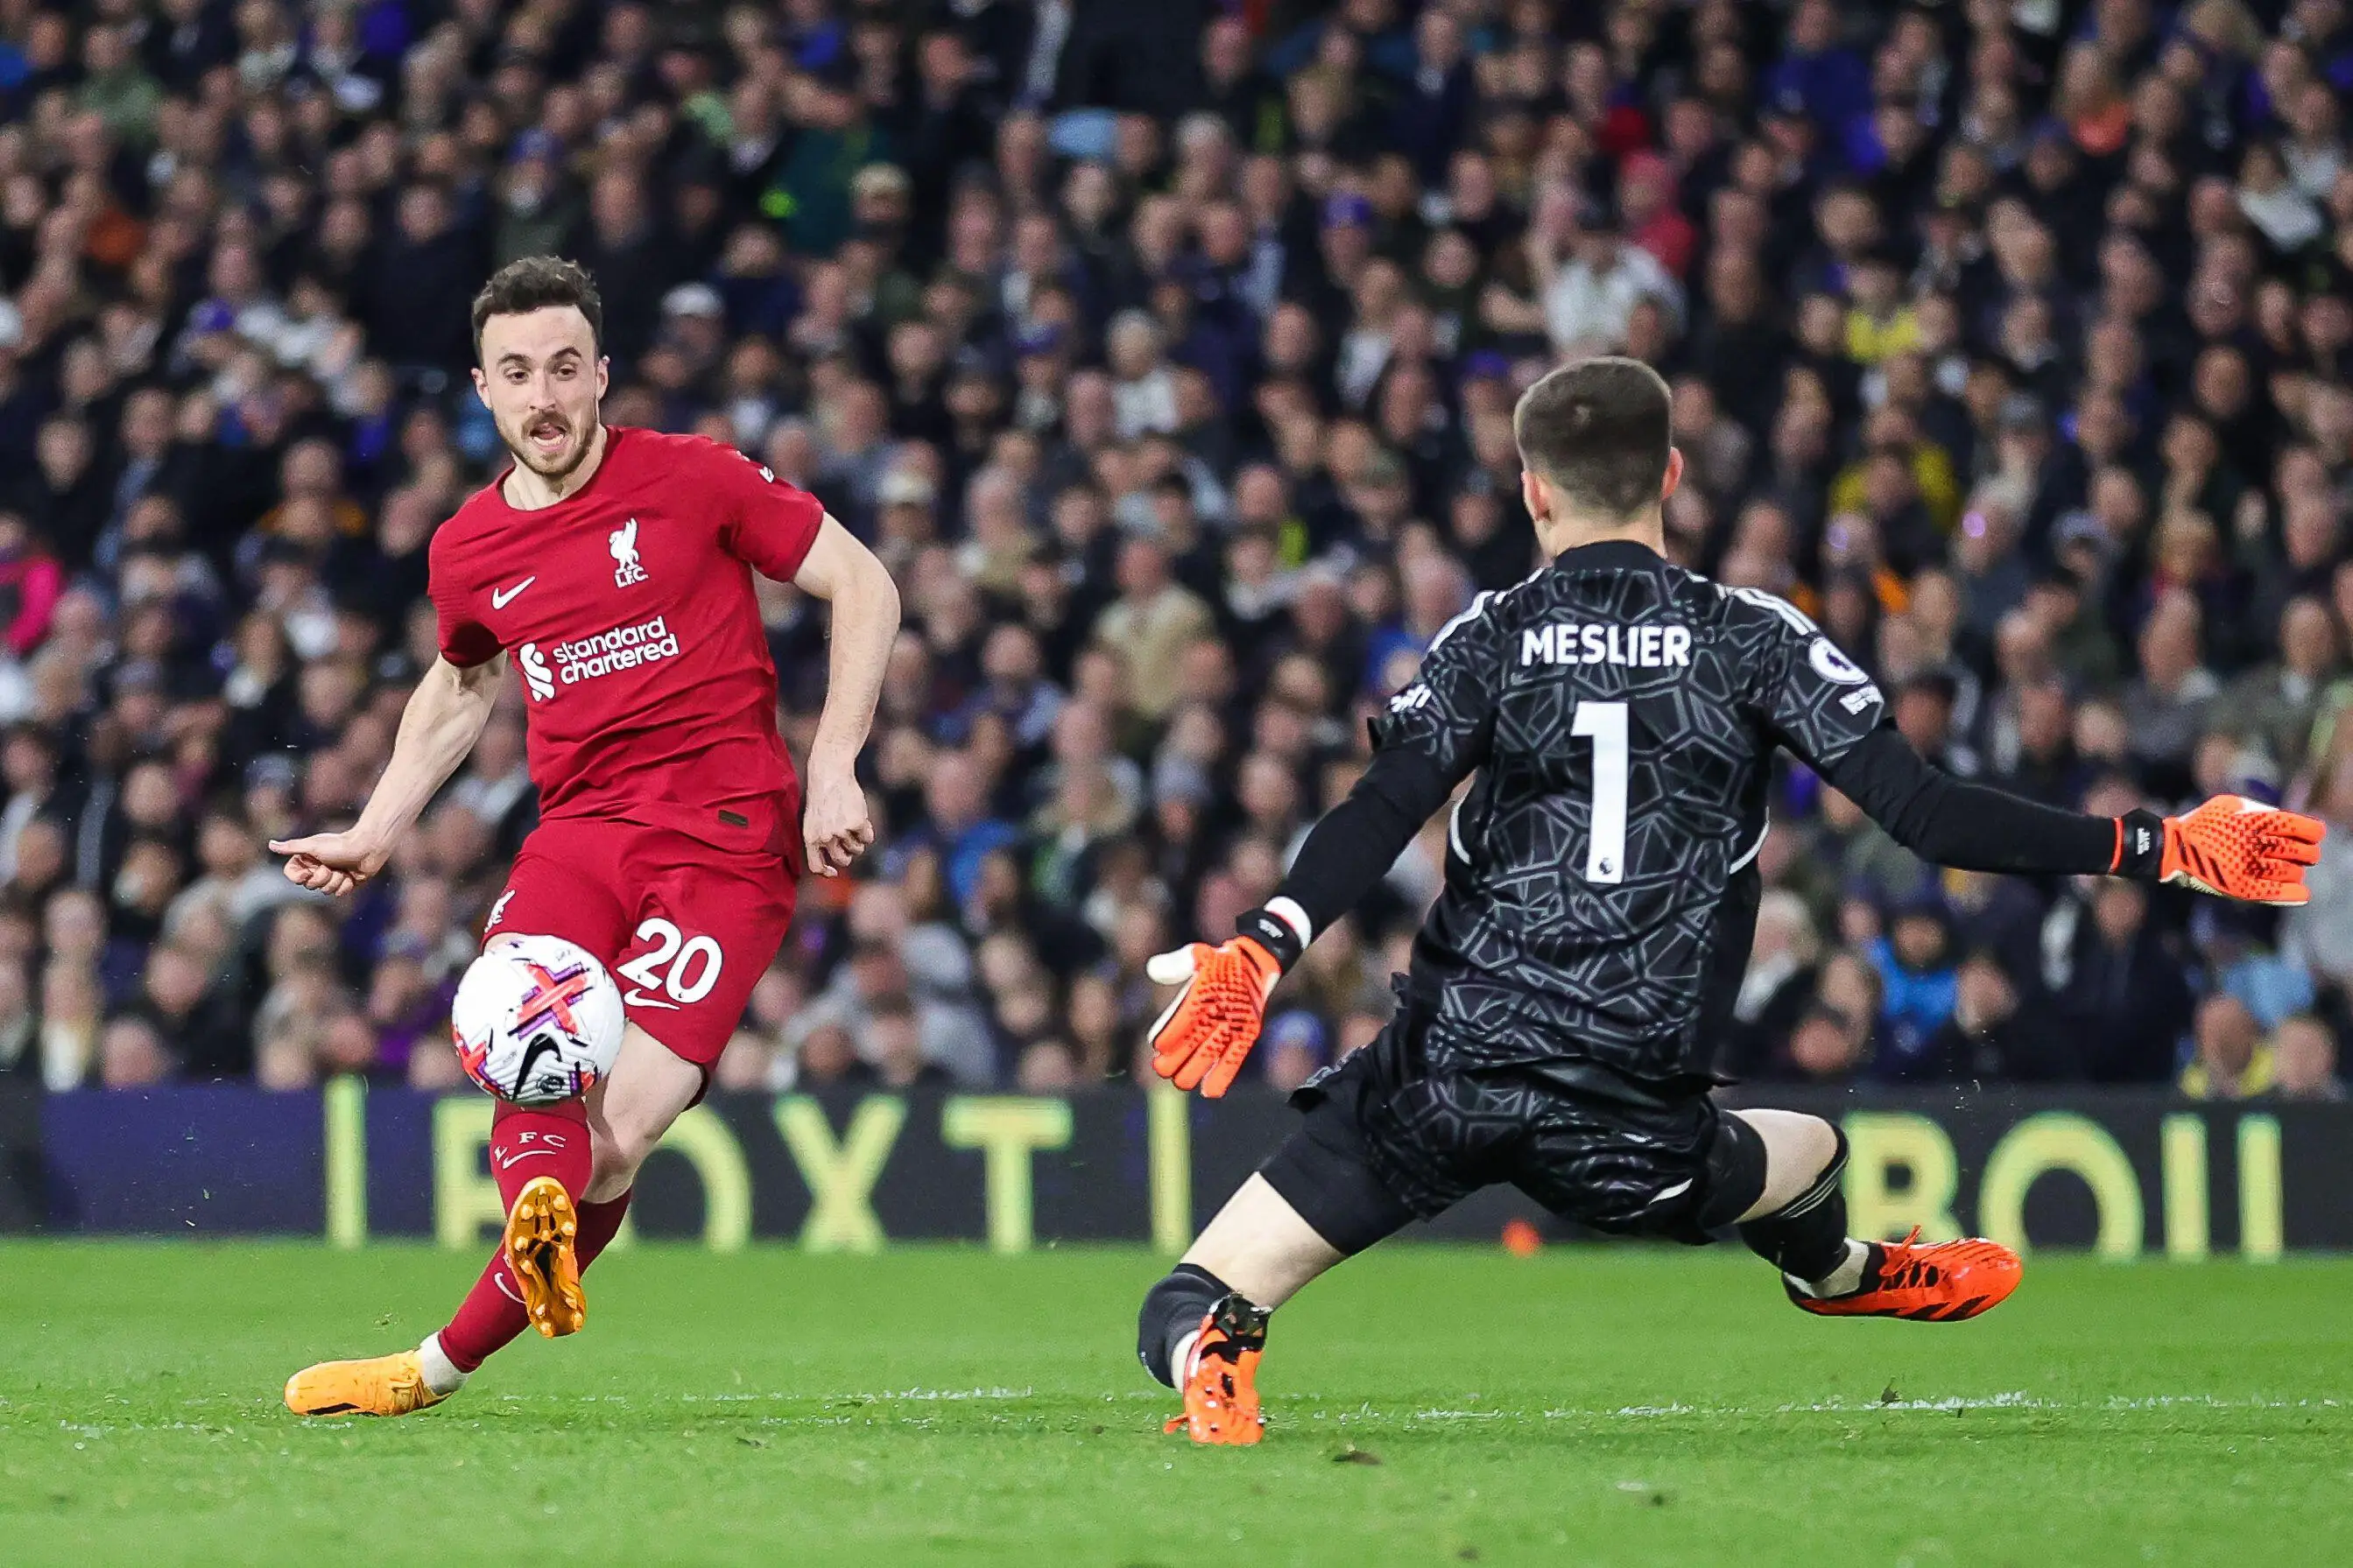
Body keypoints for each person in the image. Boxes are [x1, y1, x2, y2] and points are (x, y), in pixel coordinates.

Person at [1132, 358, 2326, 1445]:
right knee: (1807, 1149)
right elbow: (1927, 817)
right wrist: (2152, 842)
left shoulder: (1491, 635)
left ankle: (1213, 1352)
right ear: (1669, 474)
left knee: (1185, 1294)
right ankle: (1837, 1269)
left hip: (1442, 1074)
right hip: (1624, 1115)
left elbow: (1382, 801)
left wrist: (1264, 941)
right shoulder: (1749, 637)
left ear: (1532, 491)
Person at [276, 257, 900, 1417]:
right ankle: (528, 1243)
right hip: (578, 838)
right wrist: (375, 824)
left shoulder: (694, 478)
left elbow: (862, 583)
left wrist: (832, 767)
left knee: (612, 1143)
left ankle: (432, 1363)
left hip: (722, 847)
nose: (544, 393)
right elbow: (459, 686)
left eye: (565, 366)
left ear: (602, 373)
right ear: (482, 389)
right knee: (526, 1040)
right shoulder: (467, 547)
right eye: (517, 372)